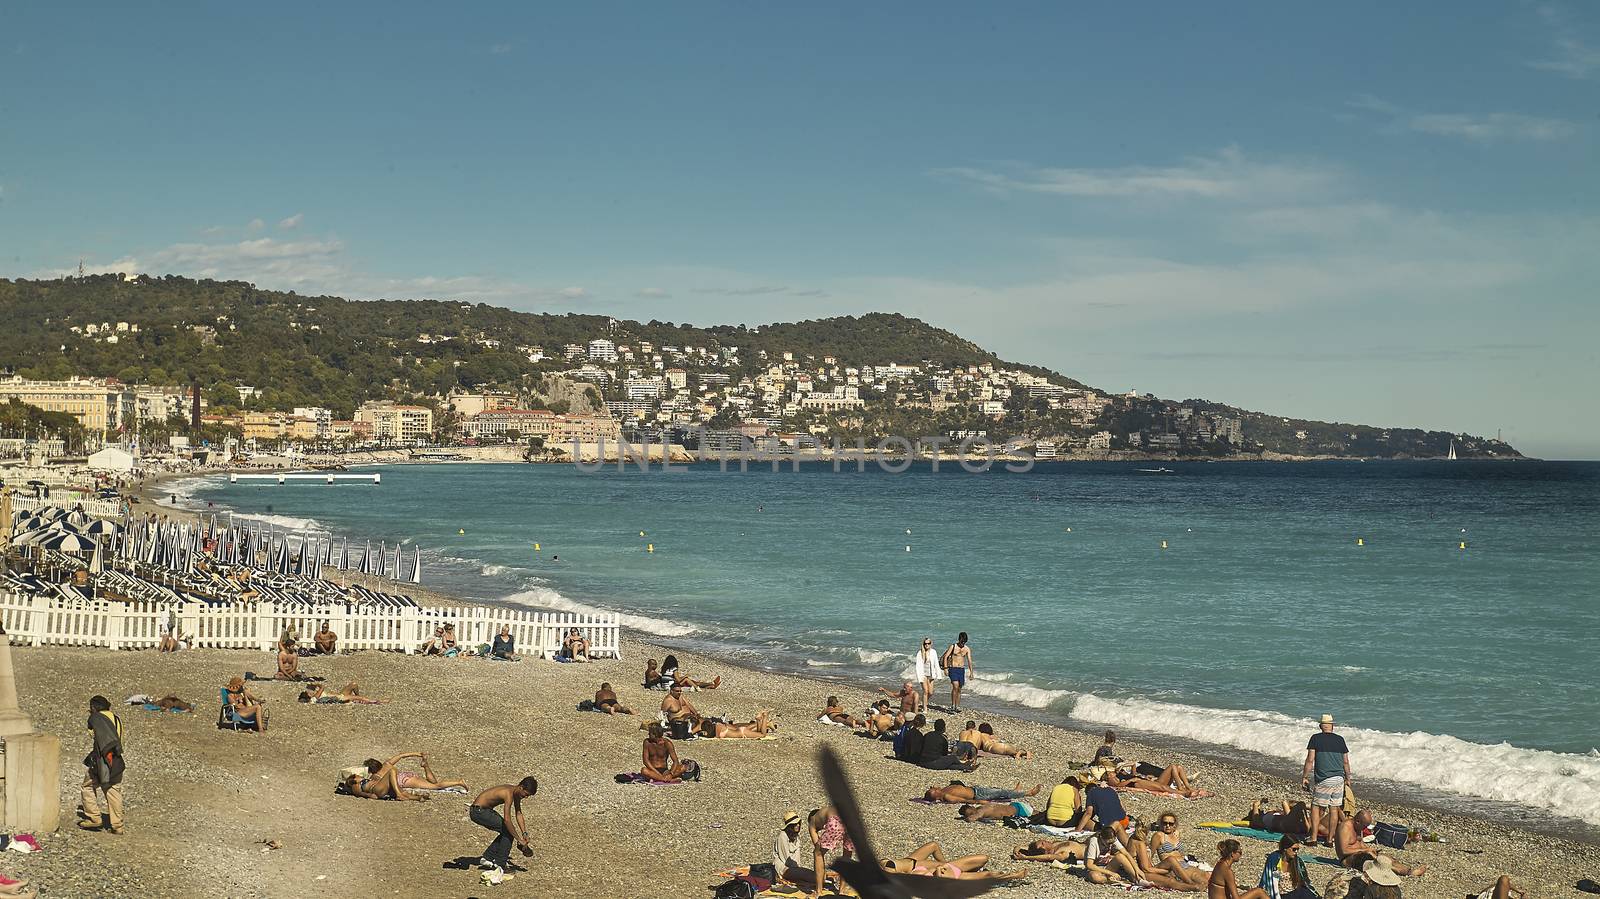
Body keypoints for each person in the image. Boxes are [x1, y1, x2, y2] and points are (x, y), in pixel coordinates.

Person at [79, 695, 126, 834]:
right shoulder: (116, 719)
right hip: (117, 760)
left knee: (87, 786)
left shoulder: (97, 718)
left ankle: (94, 818)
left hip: (103, 761)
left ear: (93, 707)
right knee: (113, 790)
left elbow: (95, 736)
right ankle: (118, 826)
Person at [470, 778, 536, 874]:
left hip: (484, 811)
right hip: (478, 812)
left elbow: (518, 813)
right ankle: (500, 864)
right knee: (509, 831)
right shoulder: (508, 793)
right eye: (526, 794)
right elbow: (507, 820)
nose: (526, 797)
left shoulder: (515, 792)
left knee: (507, 831)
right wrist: (518, 839)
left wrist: (524, 833)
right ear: (521, 787)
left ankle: (487, 858)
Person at [1302, 714, 1350, 846]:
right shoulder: (1340, 740)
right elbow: (1345, 762)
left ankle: (1313, 838)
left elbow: (1310, 760)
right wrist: (1348, 778)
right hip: (1339, 778)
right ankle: (1329, 840)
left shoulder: (1315, 738)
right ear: (1332, 726)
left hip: (1324, 778)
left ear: (1320, 726)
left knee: (1316, 807)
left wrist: (1305, 777)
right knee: (1334, 809)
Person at [1336, 810, 1426, 877]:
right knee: (1376, 862)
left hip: (1361, 854)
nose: (1365, 829)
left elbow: (1361, 843)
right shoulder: (1345, 827)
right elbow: (1344, 850)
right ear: (1357, 821)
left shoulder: (1358, 827)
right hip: (1347, 859)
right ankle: (1405, 873)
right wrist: (1366, 850)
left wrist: (1371, 850)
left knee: (1387, 858)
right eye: (1364, 826)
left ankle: (1408, 870)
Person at [1128, 823, 1202, 891]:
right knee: (1169, 881)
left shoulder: (1136, 838)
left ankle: (1189, 882)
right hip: (1139, 874)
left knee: (1171, 860)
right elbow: (1145, 869)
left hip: (1148, 869)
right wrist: (1165, 871)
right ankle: (1192, 887)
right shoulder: (1139, 843)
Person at [806, 806, 855, 899]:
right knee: (847, 856)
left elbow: (817, 846)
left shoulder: (812, 820)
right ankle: (842, 890)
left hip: (835, 820)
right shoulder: (825, 811)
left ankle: (818, 892)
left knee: (818, 854)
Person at [1151, 812, 1209, 889]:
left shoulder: (1176, 834)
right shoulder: (1158, 835)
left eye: (1170, 823)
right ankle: (1191, 885)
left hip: (1184, 863)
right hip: (1171, 866)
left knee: (1206, 875)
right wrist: (1153, 870)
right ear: (1161, 824)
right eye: (1165, 823)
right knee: (1198, 878)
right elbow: (1149, 854)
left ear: (1174, 825)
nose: (1168, 826)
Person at [1258, 835, 1315, 899]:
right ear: (1285, 848)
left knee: (1306, 893)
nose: (1296, 852)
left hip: (1295, 892)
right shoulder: (1274, 859)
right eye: (1294, 849)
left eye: (1297, 849)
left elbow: (1305, 882)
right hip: (1281, 895)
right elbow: (1269, 881)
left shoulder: (1297, 861)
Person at [773, 810, 816, 891]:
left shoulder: (796, 837)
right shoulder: (783, 836)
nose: (797, 825)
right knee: (812, 877)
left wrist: (799, 870)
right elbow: (785, 858)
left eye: (798, 823)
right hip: (783, 868)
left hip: (794, 867)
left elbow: (797, 857)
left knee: (816, 875)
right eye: (795, 824)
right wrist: (798, 871)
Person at [1077, 770, 1129, 835]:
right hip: (1125, 822)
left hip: (1112, 827)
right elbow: (1122, 807)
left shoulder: (1091, 793)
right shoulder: (1111, 790)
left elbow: (1088, 814)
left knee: (1085, 822)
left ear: (1087, 792)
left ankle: (1099, 829)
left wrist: (1077, 830)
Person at [923, 781, 1039, 804]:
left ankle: (1014, 792)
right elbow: (964, 800)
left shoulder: (943, 790)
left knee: (998, 791)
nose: (933, 787)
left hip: (976, 789)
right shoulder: (947, 796)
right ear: (935, 794)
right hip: (978, 794)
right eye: (933, 789)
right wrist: (980, 802)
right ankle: (1028, 793)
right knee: (998, 792)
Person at [1247, 798, 1312, 837]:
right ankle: (1308, 826)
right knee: (1301, 804)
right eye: (1260, 811)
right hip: (1284, 825)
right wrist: (1262, 800)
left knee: (1300, 806)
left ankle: (1315, 809)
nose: (1262, 810)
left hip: (1288, 825)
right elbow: (1255, 804)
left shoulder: (1265, 818)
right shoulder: (1259, 819)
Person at [941, 632, 973, 711]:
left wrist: (971, 672)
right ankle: (952, 705)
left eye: (964, 642)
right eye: (962, 641)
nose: (963, 643)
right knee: (955, 686)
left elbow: (969, 660)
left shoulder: (966, 649)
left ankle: (957, 706)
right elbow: (945, 657)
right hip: (953, 668)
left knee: (959, 688)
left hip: (961, 669)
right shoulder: (953, 646)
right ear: (959, 639)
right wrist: (945, 668)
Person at [965, 722, 1032, 759]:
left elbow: (977, 745)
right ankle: (1023, 752)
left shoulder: (980, 734)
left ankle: (1019, 753)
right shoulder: (992, 736)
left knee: (1007, 751)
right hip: (999, 744)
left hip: (992, 747)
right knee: (1010, 750)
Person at [696, 710, 776, 739]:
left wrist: (702, 734)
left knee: (762, 735)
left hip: (742, 733)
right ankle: (759, 720)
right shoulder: (718, 726)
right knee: (758, 732)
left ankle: (765, 717)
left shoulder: (716, 734)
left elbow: (709, 736)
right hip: (740, 730)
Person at [913, 637, 941, 713]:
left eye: (928, 643)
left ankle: (924, 702)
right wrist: (919, 677)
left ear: (931, 644)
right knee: (925, 691)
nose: (927, 645)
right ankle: (925, 708)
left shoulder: (933, 652)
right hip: (923, 674)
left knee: (930, 692)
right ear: (923, 644)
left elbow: (936, 664)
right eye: (925, 643)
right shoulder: (920, 653)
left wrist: (939, 674)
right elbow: (918, 666)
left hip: (931, 674)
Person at [957, 799, 1033, 823]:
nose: (972, 814)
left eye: (970, 813)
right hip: (1015, 806)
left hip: (1019, 811)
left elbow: (972, 819)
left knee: (1041, 817)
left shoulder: (981, 811)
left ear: (973, 808)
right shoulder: (981, 807)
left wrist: (965, 818)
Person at [300, 682, 382, 704]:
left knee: (353, 684)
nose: (310, 691)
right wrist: (316, 684)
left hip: (340, 695)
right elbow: (322, 687)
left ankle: (360, 699)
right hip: (340, 698)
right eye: (308, 692)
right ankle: (375, 701)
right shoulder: (314, 698)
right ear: (308, 695)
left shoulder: (314, 697)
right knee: (359, 698)